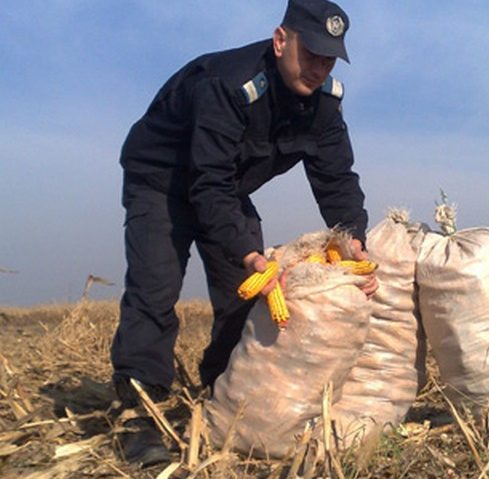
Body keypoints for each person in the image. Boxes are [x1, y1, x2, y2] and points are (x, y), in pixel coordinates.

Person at [110, 0, 375, 466]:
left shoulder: (324, 104)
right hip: (162, 181)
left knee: (241, 298)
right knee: (155, 290)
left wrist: (354, 245)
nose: (319, 67)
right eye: (310, 52)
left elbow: (337, 180)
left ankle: (223, 391)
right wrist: (249, 252)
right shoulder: (228, 84)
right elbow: (205, 180)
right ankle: (136, 409)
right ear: (280, 41)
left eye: (329, 58)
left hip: (223, 186)